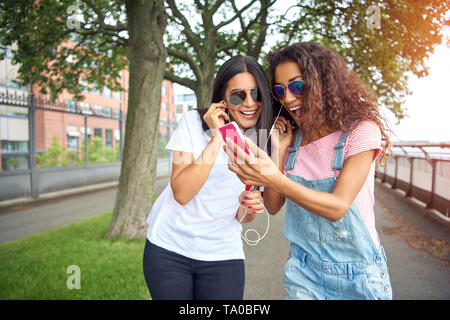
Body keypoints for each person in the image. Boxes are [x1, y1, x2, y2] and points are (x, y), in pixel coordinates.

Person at [223, 42, 393, 300]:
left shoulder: (360, 131)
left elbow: (337, 207)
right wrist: (279, 151)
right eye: (280, 91)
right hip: (304, 274)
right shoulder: (293, 139)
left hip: (360, 278)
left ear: (323, 81)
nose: (288, 98)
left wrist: (274, 177)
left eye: (297, 86)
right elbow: (272, 205)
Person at [143, 55, 274, 300]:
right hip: (170, 249)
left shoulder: (262, 139)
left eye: (256, 94)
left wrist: (252, 207)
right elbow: (182, 193)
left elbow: (242, 216)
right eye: (238, 95)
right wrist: (218, 136)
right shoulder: (193, 122)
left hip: (223, 254)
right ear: (223, 99)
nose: (250, 103)